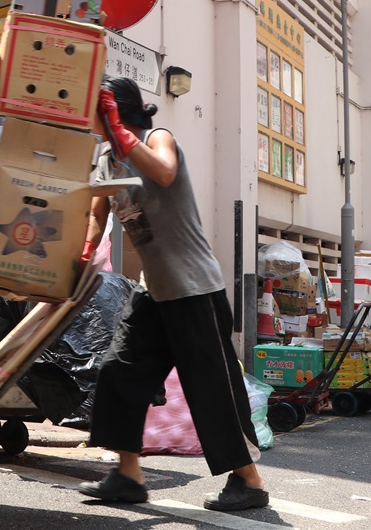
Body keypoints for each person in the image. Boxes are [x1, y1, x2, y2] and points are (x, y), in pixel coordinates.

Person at [78, 76, 267, 512]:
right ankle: (127, 475)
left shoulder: (157, 138)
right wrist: (81, 257)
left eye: (93, 110)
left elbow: (163, 172)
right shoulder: (106, 161)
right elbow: (95, 214)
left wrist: (120, 133)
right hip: (153, 291)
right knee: (119, 371)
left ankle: (250, 481)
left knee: (212, 390)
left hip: (194, 288)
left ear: (113, 110)